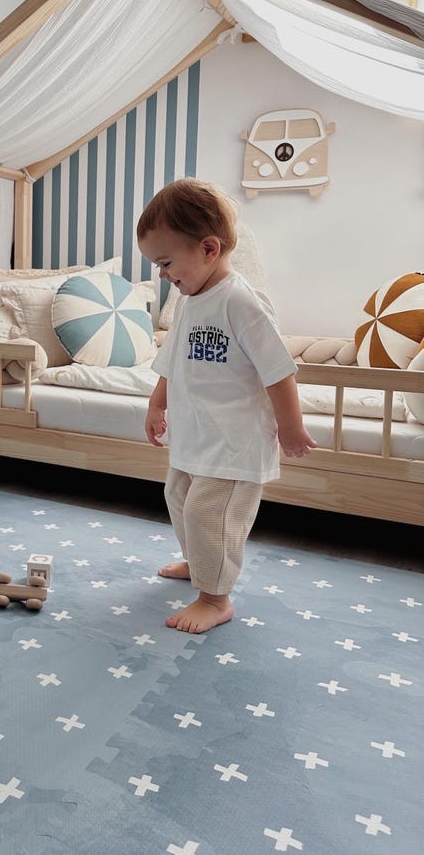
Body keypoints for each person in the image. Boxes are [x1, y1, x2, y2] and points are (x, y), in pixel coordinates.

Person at [136, 178, 316, 634]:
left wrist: (290, 428)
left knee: (208, 515)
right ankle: (201, 565)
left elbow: (279, 370)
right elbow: (170, 360)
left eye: (166, 262)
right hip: (197, 435)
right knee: (178, 498)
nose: (163, 275)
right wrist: (157, 403)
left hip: (235, 444)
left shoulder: (240, 301)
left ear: (209, 249)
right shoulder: (189, 300)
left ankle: (215, 597)